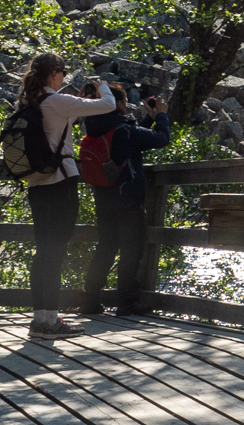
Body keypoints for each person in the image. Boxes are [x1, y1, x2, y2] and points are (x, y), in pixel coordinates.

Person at [17, 54, 120, 339]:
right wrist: (102, 86)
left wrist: (78, 101)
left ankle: (41, 319)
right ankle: (51, 322)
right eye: (62, 72)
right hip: (60, 182)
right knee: (56, 252)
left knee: (43, 252)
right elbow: (108, 105)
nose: (63, 77)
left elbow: (60, 123)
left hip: (36, 184)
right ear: (53, 74)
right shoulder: (57, 101)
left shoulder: (29, 102)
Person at [78, 85, 171, 317]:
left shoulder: (95, 128)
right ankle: (127, 302)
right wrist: (161, 115)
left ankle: (90, 301)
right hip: (128, 198)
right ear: (118, 103)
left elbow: (133, 140)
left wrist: (148, 120)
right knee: (131, 250)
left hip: (103, 198)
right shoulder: (124, 130)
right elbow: (161, 139)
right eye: (125, 101)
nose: (126, 105)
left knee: (106, 248)